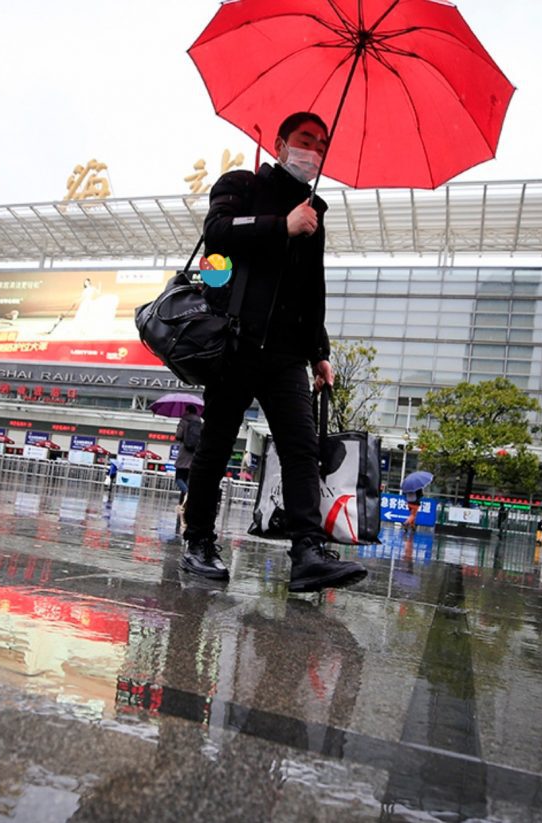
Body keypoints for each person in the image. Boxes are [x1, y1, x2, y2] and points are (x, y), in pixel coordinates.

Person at [180, 111, 367, 593]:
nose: (314, 151)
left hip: (286, 354)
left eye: (322, 145)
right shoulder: (241, 184)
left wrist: (319, 352)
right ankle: (198, 540)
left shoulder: (314, 209)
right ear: (281, 143)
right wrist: (280, 225)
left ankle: (308, 551)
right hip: (236, 340)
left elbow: (312, 288)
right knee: (217, 446)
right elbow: (218, 230)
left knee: (302, 448)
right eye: (306, 140)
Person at [173, 405, 203, 528]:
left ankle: (187, 494)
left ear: (187, 410)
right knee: (188, 480)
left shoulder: (184, 420)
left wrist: (179, 429)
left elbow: (178, 436)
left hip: (184, 455)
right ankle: (185, 502)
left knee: (179, 479)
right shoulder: (200, 423)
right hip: (194, 456)